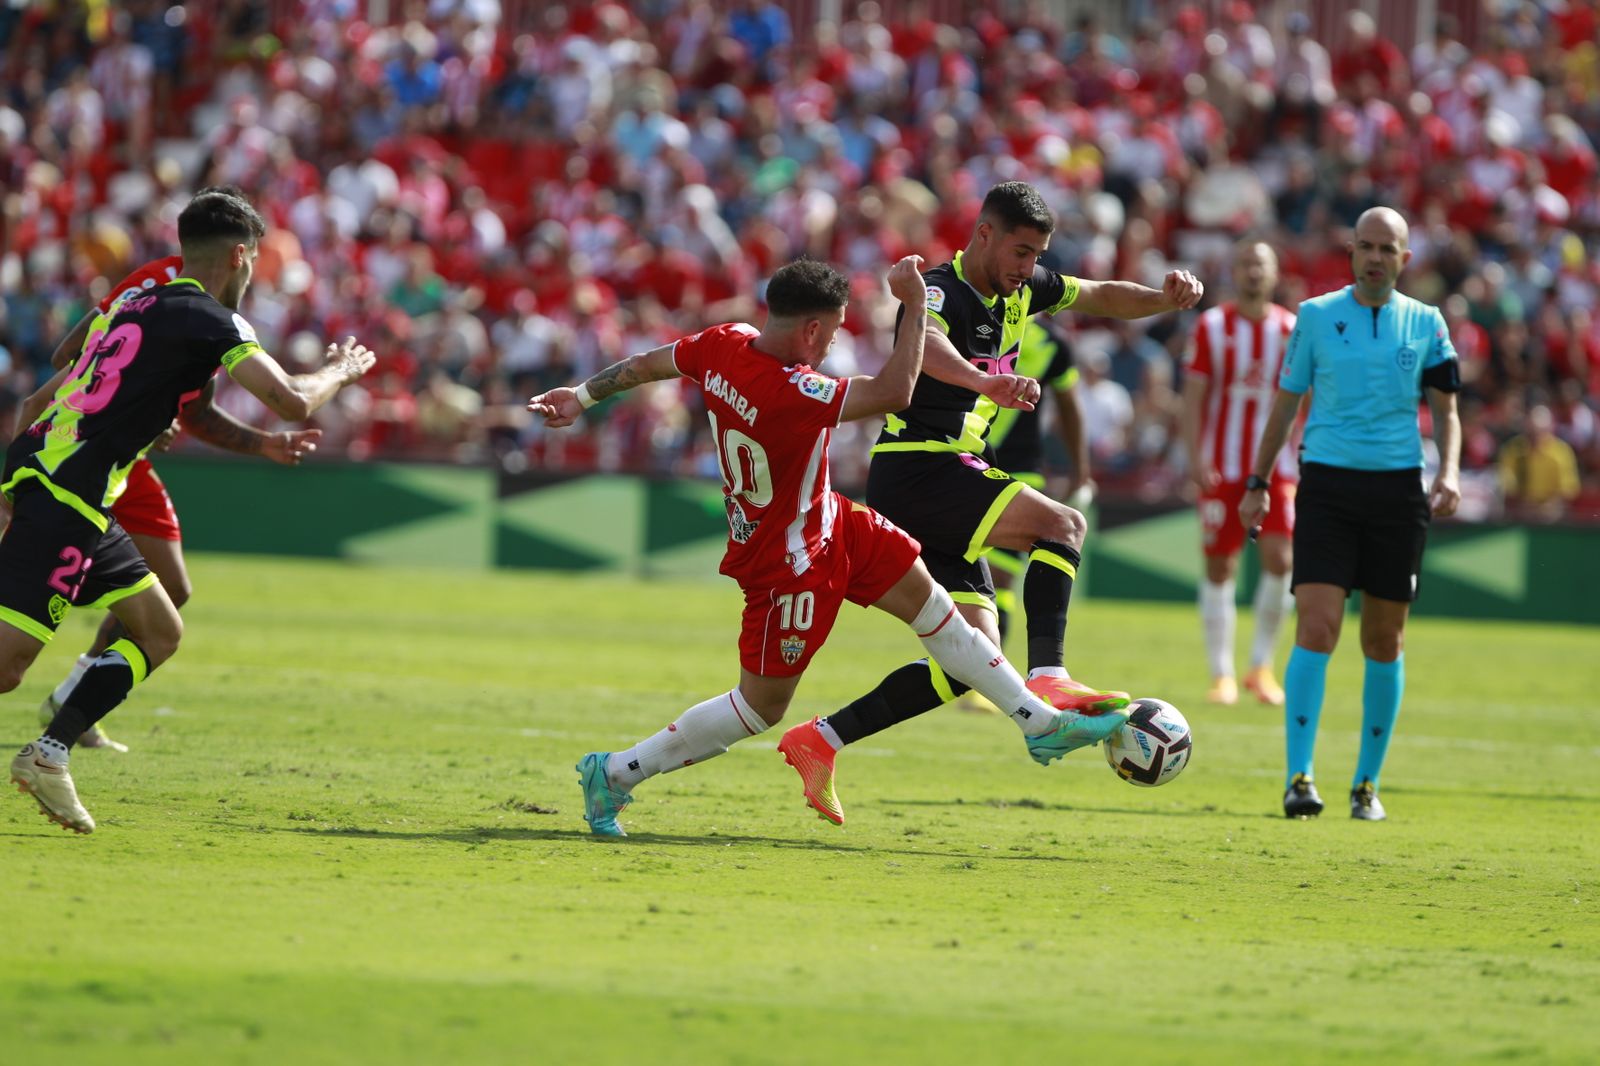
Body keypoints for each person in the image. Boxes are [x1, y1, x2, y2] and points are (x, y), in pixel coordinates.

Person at [528, 257, 1128, 837]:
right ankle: (614, 773)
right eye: (836, 331)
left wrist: (579, 397)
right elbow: (896, 392)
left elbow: (643, 366)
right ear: (812, 329)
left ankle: (1039, 722)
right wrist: (917, 306)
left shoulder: (721, 343)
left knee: (938, 612)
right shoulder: (795, 390)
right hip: (786, 563)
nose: (835, 344)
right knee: (760, 708)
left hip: (834, 522)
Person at [776, 181, 1201, 821]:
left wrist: (1161, 300)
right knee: (1063, 524)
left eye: (1035, 256)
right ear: (984, 236)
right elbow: (927, 353)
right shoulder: (940, 291)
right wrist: (985, 381)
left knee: (970, 657)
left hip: (947, 470)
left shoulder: (1024, 288)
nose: (1028, 268)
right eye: (1020, 252)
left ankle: (820, 740)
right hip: (920, 465)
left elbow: (1099, 296)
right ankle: (1050, 674)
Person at [5, 186, 376, 833]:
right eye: (256, 262)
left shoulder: (133, 299)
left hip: (76, 486)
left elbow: (65, 371)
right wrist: (340, 371)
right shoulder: (214, 320)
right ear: (240, 255)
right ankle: (50, 747)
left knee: (161, 628)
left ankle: (50, 751)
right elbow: (291, 397)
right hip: (65, 493)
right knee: (5, 669)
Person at [27, 251, 323, 753]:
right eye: (251, 257)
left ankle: (71, 697)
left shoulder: (206, 304)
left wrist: (260, 443)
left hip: (125, 456)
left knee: (170, 588)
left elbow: (200, 413)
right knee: (24, 620)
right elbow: (68, 356)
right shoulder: (163, 284)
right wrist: (128, 401)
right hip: (79, 447)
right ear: (237, 255)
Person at [1240, 207, 1461, 822]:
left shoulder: (1427, 323)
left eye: (1386, 249)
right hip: (1328, 488)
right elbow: (1285, 407)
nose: (1374, 258)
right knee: (1317, 628)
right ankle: (1299, 777)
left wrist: (1447, 471)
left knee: (1383, 639)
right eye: (1364, 246)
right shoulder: (1315, 317)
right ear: (1350, 253)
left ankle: (1366, 784)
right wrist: (1258, 481)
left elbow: (1446, 412)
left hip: (1397, 493)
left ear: (1405, 259)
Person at [1179, 239, 1299, 707]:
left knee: (1281, 560)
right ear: (1234, 271)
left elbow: (1304, 400)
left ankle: (1261, 666)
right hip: (1221, 466)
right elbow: (1192, 398)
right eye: (1246, 263)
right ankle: (1222, 673)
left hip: (1276, 469)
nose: (1253, 271)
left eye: (1261, 265)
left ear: (1274, 275)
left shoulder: (1290, 330)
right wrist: (1194, 458)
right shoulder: (1211, 326)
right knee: (1220, 564)